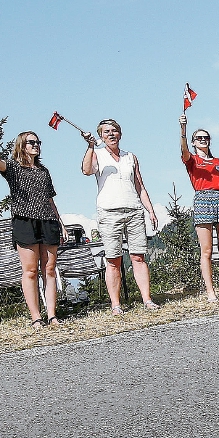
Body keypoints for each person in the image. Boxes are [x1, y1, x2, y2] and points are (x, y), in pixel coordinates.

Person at [0, 128, 63, 328]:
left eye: (37, 142)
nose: (35, 145)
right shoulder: (13, 168)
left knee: (50, 269)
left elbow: (49, 199)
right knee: (30, 271)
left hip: (48, 220)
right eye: (31, 142)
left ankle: (52, 315)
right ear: (21, 146)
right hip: (24, 221)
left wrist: (60, 222)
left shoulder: (44, 171)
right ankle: (36, 317)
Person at [80, 119, 159, 314]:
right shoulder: (96, 154)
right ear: (101, 136)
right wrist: (90, 146)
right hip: (109, 211)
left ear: (120, 134)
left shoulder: (130, 157)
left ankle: (147, 300)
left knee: (138, 257)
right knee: (113, 259)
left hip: (133, 209)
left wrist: (150, 209)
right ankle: (116, 305)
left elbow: (139, 185)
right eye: (107, 132)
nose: (111, 134)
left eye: (115, 131)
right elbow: (86, 170)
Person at [179, 115, 219, 302]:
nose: (203, 140)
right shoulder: (192, 160)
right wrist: (183, 129)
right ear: (193, 142)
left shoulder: (218, 162)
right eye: (199, 138)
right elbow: (183, 151)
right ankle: (210, 291)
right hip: (202, 199)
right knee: (206, 250)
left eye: (206, 138)